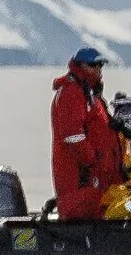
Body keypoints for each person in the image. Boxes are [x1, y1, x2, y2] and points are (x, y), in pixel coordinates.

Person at [48, 46, 122, 220]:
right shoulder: (72, 93)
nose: (98, 70)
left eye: (100, 65)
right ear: (81, 66)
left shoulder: (89, 93)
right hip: (83, 185)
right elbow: (73, 136)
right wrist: (92, 162)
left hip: (98, 183)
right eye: (92, 65)